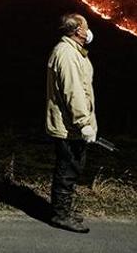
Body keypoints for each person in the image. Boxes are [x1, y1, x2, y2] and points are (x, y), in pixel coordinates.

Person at [45, 13, 98, 233]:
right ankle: (60, 215)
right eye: (86, 27)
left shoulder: (73, 51)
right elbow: (73, 91)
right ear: (77, 31)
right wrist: (83, 123)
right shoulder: (67, 54)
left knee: (72, 167)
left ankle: (63, 210)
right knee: (68, 168)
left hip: (71, 124)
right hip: (69, 126)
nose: (89, 31)